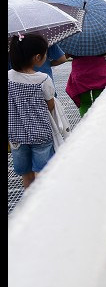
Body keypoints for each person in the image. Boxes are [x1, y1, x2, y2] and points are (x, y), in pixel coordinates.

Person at [8, 33, 57, 189]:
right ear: (37, 57)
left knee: (26, 174)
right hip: (41, 133)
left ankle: (28, 203)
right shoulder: (43, 79)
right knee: (42, 174)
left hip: (16, 135)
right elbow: (50, 104)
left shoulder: (8, 77)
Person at [66, 49, 106, 117]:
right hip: (100, 72)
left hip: (80, 73)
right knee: (99, 101)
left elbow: (64, 56)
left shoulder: (72, 41)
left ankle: (86, 123)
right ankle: (100, 122)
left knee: (85, 103)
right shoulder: (100, 39)